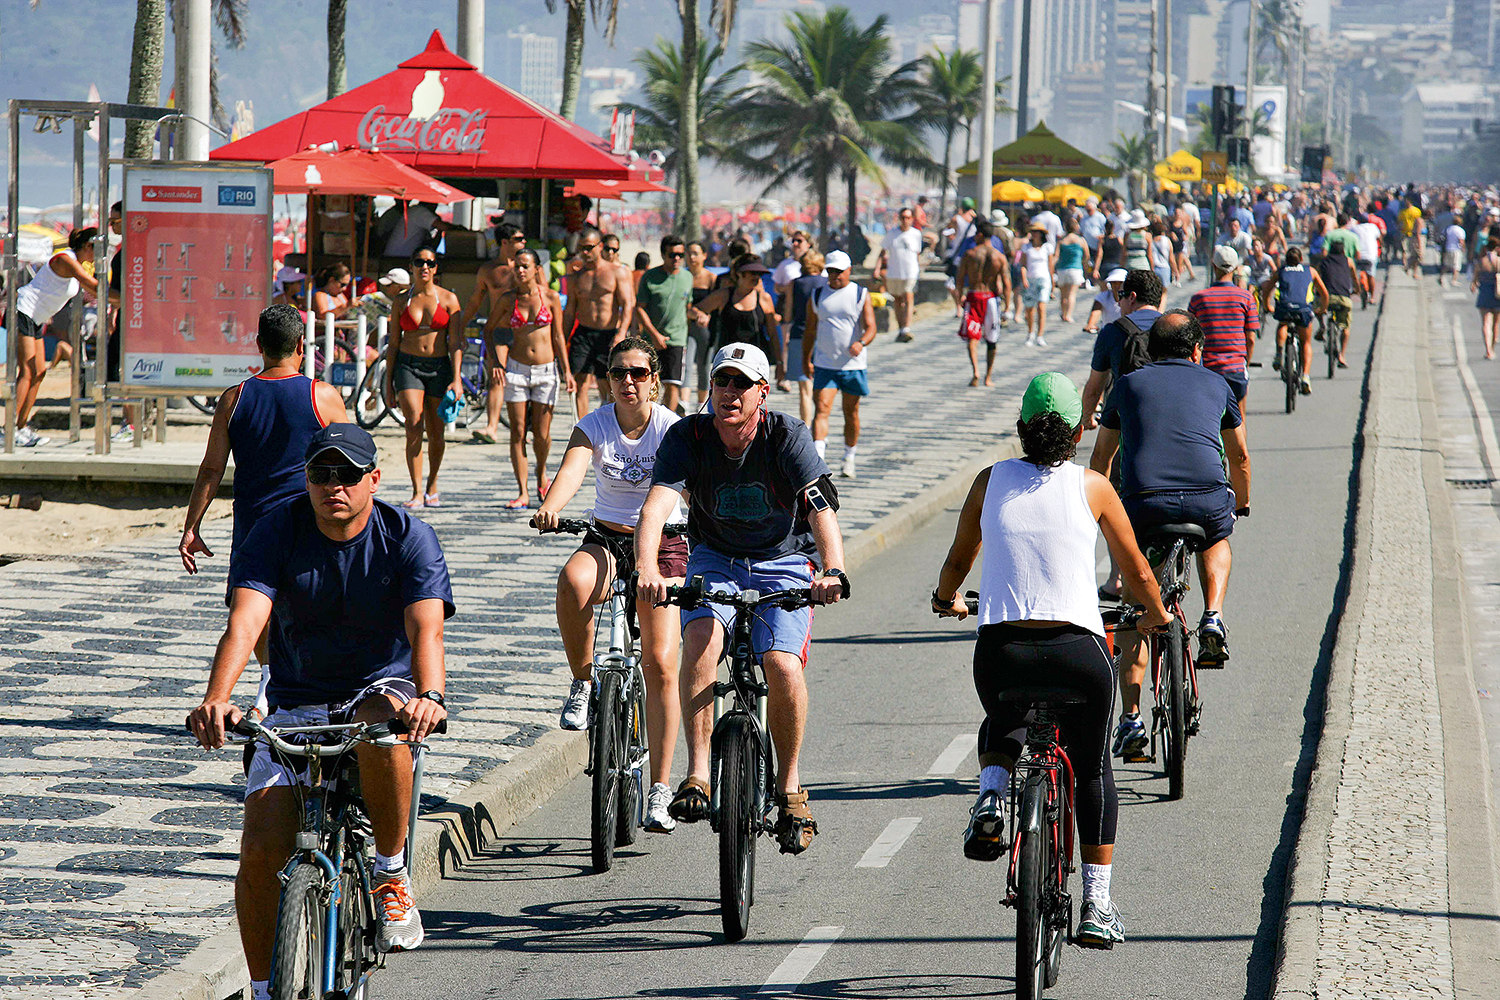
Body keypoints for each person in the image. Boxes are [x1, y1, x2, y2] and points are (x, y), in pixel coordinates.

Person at [188, 423, 454, 1000]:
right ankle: (263, 989)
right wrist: (217, 697)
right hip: (293, 700)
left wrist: (430, 695)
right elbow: (247, 620)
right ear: (306, 480)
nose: (335, 485)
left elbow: (426, 627)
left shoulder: (408, 536)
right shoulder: (276, 529)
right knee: (259, 851)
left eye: (348, 475)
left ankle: (389, 870)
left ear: (373, 480)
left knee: (385, 725)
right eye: (321, 474)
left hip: (377, 688)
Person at [931, 372, 1170, 948]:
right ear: (1076, 431)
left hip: (1003, 649)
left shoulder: (989, 481)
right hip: (1076, 651)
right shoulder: (1094, 486)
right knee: (1090, 769)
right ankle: (1097, 903)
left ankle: (991, 793)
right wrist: (1157, 616)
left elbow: (960, 556)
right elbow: (1135, 570)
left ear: (1020, 429)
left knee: (1002, 713)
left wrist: (946, 599)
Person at [635, 343, 849, 855]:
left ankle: (791, 786)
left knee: (781, 664)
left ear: (762, 392)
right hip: (713, 558)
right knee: (702, 642)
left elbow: (819, 507)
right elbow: (656, 507)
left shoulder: (786, 436)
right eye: (721, 382)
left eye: (741, 383)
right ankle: (698, 774)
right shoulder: (689, 436)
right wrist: (646, 568)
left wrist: (834, 569)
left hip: (783, 562)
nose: (730, 393)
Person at [533, 337, 687, 832]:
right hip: (607, 538)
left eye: (638, 373)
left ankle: (661, 788)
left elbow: (690, 486)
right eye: (618, 373)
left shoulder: (671, 429)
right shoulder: (594, 424)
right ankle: (583, 681)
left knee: (661, 662)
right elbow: (573, 469)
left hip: (665, 545)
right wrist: (553, 506)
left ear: (654, 381)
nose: (627, 381)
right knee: (573, 582)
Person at [1090, 312, 1250, 757]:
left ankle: (1132, 719)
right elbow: (1239, 458)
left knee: (1137, 606)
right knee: (1217, 536)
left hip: (1144, 504)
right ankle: (1213, 614)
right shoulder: (1219, 385)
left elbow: (1102, 457)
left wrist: (1097, 508)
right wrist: (1240, 504)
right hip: (1205, 499)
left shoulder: (1128, 385)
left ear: (1152, 351)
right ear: (1198, 350)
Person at [180, 302, 349, 717]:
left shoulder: (234, 398)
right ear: (301, 345)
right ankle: (285, 690)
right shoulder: (321, 395)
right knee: (305, 605)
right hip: (308, 521)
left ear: (258, 345)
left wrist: (191, 526)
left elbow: (211, 468)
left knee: (250, 609)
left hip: (253, 523)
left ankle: (268, 683)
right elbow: (352, 461)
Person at [383, 249, 463, 508]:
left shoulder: (450, 300)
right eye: (419, 262)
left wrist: (457, 379)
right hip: (408, 366)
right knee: (414, 424)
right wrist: (388, 385)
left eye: (430, 263)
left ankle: (432, 485)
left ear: (436, 268)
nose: (425, 267)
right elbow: (393, 344)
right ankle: (417, 490)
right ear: (412, 267)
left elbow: (456, 343)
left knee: (437, 432)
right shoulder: (401, 302)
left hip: (439, 367)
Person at [497, 250, 573, 509]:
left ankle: (541, 472)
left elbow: (559, 336)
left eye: (525, 266)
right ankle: (522, 492)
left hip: (545, 371)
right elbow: (491, 330)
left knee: (541, 434)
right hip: (517, 369)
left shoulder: (550, 297)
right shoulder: (508, 300)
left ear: (536, 269)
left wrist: (567, 372)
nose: (520, 271)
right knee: (518, 431)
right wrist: (497, 361)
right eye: (516, 266)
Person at [11, 227, 99, 447]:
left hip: (36, 318)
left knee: (39, 372)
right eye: (97, 249)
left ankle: (21, 427)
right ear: (88, 246)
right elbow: (93, 286)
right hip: (24, 310)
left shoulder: (78, 263)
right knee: (28, 371)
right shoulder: (66, 259)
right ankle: (10, 429)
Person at [804, 249, 876, 479]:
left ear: (849, 271)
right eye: (831, 271)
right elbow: (810, 330)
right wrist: (806, 358)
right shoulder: (817, 295)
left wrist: (861, 342)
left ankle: (849, 457)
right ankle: (818, 460)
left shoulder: (859, 294)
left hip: (853, 365)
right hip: (825, 364)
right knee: (822, 409)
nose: (834, 276)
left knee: (851, 413)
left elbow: (871, 326)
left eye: (839, 271)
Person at [464, 222, 529, 444]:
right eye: (518, 239)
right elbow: (475, 300)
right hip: (499, 330)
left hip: (523, 332)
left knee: (523, 380)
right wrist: (460, 323)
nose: (523, 243)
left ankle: (522, 429)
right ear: (504, 243)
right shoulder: (489, 271)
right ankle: (491, 427)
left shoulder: (526, 268)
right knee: (497, 377)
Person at [1079, 269, 1165, 429]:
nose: (1118, 302)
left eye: (1121, 295)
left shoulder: (1113, 331)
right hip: (1169, 414)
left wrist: (1086, 418)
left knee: (1101, 455)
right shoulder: (1174, 327)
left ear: (1131, 297)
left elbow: (1095, 386)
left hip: (1126, 416)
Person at [565, 226, 636, 417]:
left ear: (600, 246)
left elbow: (627, 304)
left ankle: (610, 423)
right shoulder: (577, 277)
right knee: (580, 382)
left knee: (610, 383)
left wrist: (621, 333)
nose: (585, 253)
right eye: (581, 248)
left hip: (608, 333)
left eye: (589, 247)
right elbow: (570, 310)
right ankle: (582, 427)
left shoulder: (616, 272)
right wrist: (563, 339)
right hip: (584, 332)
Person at [1188, 247, 1259, 416]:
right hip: (1235, 369)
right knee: (1239, 416)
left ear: (1214, 266)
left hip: (1208, 370)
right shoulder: (1246, 298)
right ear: (1235, 268)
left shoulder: (1199, 299)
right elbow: (1251, 339)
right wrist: (1245, 363)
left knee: (1207, 418)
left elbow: (1189, 337)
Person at [634, 235, 694, 414]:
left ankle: (667, 427)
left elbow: (687, 307)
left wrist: (699, 314)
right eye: (672, 254)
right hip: (651, 340)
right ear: (662, 254)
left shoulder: (687, 277)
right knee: (646, 382)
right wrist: (654, 335)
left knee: (672, 384)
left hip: (676, 339)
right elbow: (639, 308)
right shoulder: (650, 277)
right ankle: (646, 419)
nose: (676, 258)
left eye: (680, 255)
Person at [1262, 246, 1328, 396]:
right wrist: (1322, 309)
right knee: (1306, 342)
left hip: (1285, 307)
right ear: (1301, 259)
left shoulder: (1281, 270)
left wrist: (1267, 306)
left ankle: (1279, 354)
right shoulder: (1310, 271)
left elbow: (1267, 289)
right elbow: (1324, 293)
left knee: (1282, 323)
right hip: (1304, 310)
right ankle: (1305, 377)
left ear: (1286, 259)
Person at [955, 218, 1010, 387]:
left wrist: (959, 300)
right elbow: (1007, 284)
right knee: (992, 339)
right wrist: (1007, 307)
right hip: (991, 299)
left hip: (974, 296)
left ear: (979, 234)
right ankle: (988, 376)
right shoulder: (999, 257)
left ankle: (976, 372)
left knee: (973, 336)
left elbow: (958, 280)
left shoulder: (970, 255)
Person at [696, 254, 779, 360]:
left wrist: (779, 362)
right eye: (753, 273)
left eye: (759, 274)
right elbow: (697, 309)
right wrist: (700, 315)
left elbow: (772, 333)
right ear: (740, 273)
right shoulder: (724, 296)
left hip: (755, 360)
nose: (756, 277)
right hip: (727, 359)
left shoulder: (764, 298)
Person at [785, 250, 828, 424]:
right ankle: (820, 423)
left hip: (799, 334)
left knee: (804, 389)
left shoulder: (794, 284)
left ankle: (807, 426)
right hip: (822, 336)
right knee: (821, 385)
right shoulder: (827, 284)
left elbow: (788, 315)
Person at [881, 207, 924, 343]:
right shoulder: (892, 233)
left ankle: (907, 328)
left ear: (912, 219)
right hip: (894, 272)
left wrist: (918, 270)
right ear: (899, 219)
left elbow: (917, 254)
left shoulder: (916, 234)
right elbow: (883, 251)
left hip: (910, 272)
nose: (905, 220)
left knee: (908, 295)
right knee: (898, 300)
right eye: (903, 217)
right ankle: (901, 329)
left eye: (908, 217)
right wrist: (878, 269)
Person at [773, 231, 811, 380]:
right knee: (786, 340)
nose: (795, 244)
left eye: (799, 241)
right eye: (793, 241)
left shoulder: (815, 264)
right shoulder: (785, 264)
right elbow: (776, 287)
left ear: (808, 244)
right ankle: (785, 374)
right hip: (788, 306)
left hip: (808, 308)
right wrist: (789, 288)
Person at [684, 242, 717, 409]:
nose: (692, 257)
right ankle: (684, 402)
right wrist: (693, 313)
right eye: (689, 253)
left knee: (704, 366)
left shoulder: (711, 278)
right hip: (686, 326)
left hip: (705, 327)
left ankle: (701, 404)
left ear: (704, 255)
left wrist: (707, 316)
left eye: (696, 253)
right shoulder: (683, 277)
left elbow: (717, 303)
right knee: (687, 365)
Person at [1316, 241, 1356, 369]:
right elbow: (1354, 278)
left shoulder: (1323, 261)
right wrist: (1358, 289)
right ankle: (1342, 356)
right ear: (1343, 251)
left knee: (1317, 307)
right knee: (1345, 327)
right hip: (1344, 298)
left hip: (1326, 298)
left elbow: (1317, 278)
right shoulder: (1348, 261)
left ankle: (1322, 326)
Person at [1020, 223, 1055, 347]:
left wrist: (1053, 283)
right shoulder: (1026, 247)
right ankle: (1030, 333)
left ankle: (1040, 335)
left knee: (1041, 306)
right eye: (1033, 231)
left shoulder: (1047, 247)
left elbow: (1050, 266)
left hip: (1044, 279)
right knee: (1029, 308)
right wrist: (1024, 278)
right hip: (1030, 279)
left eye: (1037, 231)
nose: (1035, 233)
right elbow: (1023, 264)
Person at [379, 200, 446, 258]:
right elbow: (443, 226)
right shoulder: (419, 212)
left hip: (401, 256)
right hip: (397, 258)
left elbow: (430, 244)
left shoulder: (417, 212)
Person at [1055, 217, 1089, 324]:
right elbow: (1087, 256)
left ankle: (1063, 313)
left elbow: (1056, 256)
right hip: (1075, 269)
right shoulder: (1081, 240)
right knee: (1072, 294)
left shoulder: (1061, 241)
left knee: (1063, 294)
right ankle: (1069, 315)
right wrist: (1084, 264)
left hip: (1062, 269)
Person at [1472, 237, 1500, 360]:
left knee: (1486, 323)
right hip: (1497, 294)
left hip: (1484, 293)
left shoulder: (1481, 262)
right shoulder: (1498, 261)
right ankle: (1492, 348)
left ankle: (1488, 349)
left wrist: (1474, 284)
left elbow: (1474, 280)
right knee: (1496, 324)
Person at [1082, 268, 1127, 335]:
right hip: (1108, 332)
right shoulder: (1104, 296)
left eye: (1120, 283)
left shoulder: (1131, 298)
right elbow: (1096, 310)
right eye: (1114, 283)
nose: (1117, 286)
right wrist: (1091, 324)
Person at [1351, 212, 1382, 306]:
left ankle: (1357, 288)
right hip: (1371, 255)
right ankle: (1372, 297)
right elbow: (1379, 238)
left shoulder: (1354, 228)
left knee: (1355, 273)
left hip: (1358, 256)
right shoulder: (1373, 227)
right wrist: (1381, 247)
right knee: (1371, 275)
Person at [311, 263, 352, 329]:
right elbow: (322, 316)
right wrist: (345, 307)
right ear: (332, 280)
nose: (345, 289)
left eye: (347, 285)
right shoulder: (320, 295)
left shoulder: (341, 296)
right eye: (342, 285)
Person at [1399, 198, 1424, 279]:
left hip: (1410, 234)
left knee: (1412, 254)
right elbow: (1400, 222)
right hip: (1410, 235)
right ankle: (1409, 267)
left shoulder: (1414, 211)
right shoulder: (1404, 212)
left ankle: (1408, 266)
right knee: (1415, 254)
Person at [1093, 218, 1124, 283]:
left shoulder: (1102, 240)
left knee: (1104, 289)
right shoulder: (1119, 240)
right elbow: (1123, 252)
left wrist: (1096, 269)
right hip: (1116, 265)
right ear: (1114, 228)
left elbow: (1099, 255)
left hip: (1105, 266)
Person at [1442, 215, 1468, 287]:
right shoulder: (1460, 230)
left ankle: (1442, 276)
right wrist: (1463, 248)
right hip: (1456, 249)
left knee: (1447, 264)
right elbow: (1461, 241)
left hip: (1448, 248)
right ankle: (1454, 280)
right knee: (1456, 266)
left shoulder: (1449, 228)